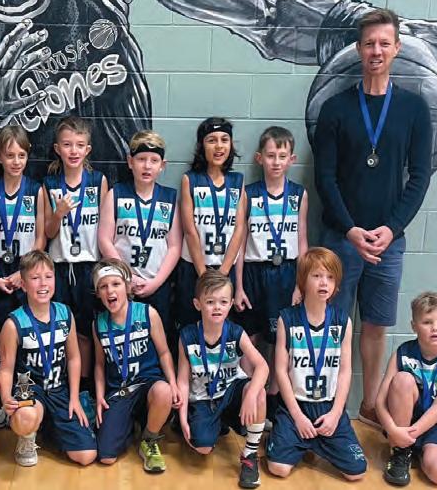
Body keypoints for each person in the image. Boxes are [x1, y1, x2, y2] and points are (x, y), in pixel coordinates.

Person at [313, 8, 432, 428]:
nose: (376, 51)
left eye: (384, 43)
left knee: (376, 326)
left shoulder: (415, 108)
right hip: (340, 236)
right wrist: (350, 229)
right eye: (369, 44)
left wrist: (392, 228)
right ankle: (328, 406)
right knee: (333, 324)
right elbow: (324, 177)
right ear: (358, 49)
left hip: (388, 240)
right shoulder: (335, 108)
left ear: (397, 47)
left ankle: (367, 405)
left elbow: (420, 177)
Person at [266, 247, 366, 481]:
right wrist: (297, 416)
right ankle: (290, 435)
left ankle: (315, 441)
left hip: (328, 407)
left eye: (330, 277)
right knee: (278, 468)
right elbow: (280, 371)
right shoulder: (287, 319)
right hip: (295, 405)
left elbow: (345, 371)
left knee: (357, 471)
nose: (324, 283)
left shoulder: (342, 321)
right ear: (303, 280)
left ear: (336, 284)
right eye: (317, 276)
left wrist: (336, 413)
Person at [234, 126, 308, 422]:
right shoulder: (249, 194)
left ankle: (276, 402)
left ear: (292, 159)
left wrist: (301, 283)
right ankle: (248, 397)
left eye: (282, 156)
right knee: (250, 338)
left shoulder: (299, 195)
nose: (276, 162)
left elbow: (302, 240)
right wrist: (239, 286)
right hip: (254, 271)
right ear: (259, 158)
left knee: (281, 341)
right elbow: (240, 243)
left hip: (286, 273)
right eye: (270, 155)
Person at [0, 250, 97, 467]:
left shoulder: (65, 313)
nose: (43, 283)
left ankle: (48, 428)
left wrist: (74, 397)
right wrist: (6, 398)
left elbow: (74, 358)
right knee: (25, 417)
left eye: (48, 277)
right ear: (23, 285)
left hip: (59, 389)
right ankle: (27, 436)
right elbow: (5, 368)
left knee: (87, 456)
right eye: (35, 278)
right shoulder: (13, 324)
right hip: (29, 388)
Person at [177, 269, 268, 489]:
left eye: (223, 302)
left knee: (258, 392)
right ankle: (214, 423)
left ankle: (250, 455)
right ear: (198, 304)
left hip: (230, 392)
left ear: (230, 304)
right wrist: (181, 417)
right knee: (202, 448)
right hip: (203, 398)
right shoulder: (187, 335)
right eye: (210, 302)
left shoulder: (236, 332)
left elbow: (262, 366)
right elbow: (183, 381)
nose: (217, 307)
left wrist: (250, 395)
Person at [0, 125, 46, 428]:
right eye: (9, 155)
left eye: (21, 155)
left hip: (25, 273)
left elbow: (41, 237)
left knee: (25, 338)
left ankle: (21, 397)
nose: (16, 161)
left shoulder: (36, 190)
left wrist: (25, 274)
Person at [92, 258, 181, 473]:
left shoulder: (148, 313)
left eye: (116, 284)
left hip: (148, 384)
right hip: (120, 390)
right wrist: (100, 396)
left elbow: (164, 352)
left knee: (164, 391)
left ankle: (149, 439)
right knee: (106, 457)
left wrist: (173, 383)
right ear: (98, 293)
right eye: (103, 286)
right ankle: (129, 424)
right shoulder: (98, 324)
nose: (110, 291)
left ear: (127, 286)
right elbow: (100, 365)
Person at [98, 130, 182, 356]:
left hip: (157, 283)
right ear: (130, 162)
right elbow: (104, 239)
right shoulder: (116, 194)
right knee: (123, 340)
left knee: (158, 343)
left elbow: (175, 246)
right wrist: (127, 277)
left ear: (162, 165)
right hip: (121, 284)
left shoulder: (169, 198)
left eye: (154, 161)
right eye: (141, 159)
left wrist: (156, 282)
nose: (147, 166)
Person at [43, 116, 108, 392]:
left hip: (89, 266)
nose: (73, 151)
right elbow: (48, 232)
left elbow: (105, 228)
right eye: (67, 144)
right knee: (61, 327)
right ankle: (60, 385)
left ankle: (84, 388)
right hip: (59, 266)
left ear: (88, 149)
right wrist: (58, 214)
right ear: (57, 148)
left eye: (79, 145)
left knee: (86, 330)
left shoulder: (97, 181)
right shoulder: (49, 184)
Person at [176, 117, 247, 329]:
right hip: (194, 268)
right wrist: (204, 276)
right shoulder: (190, 179)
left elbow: (239, 229)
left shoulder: (237, 181)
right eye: (211, 140)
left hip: (225, 268)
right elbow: (190, 231)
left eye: (224, 139)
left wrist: (223, 274)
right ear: (202, 145)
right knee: (190, 327)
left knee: (221, 329)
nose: (219, 146)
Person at [376, 291, 437, 486]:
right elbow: (380, 402)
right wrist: (392, 430)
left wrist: (410, 435)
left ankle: (421, 452)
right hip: (402, 425)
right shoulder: (403, 353)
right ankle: (401, 453)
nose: (435, 328)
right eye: (427, 322)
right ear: (414, 326)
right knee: (403, 379)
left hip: (434, 427)